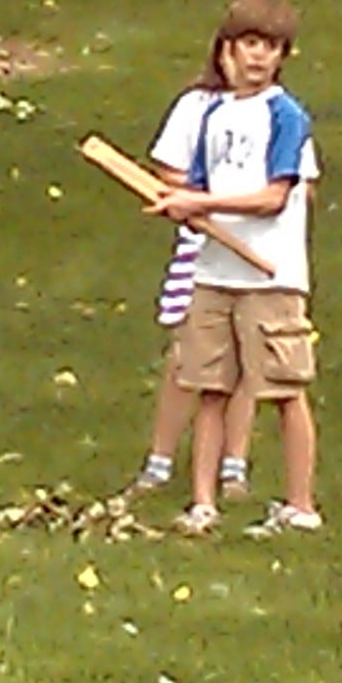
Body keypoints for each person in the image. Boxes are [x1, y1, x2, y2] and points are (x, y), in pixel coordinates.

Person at [148, 0, 321, 537]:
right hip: (213, 273)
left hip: (271, 275)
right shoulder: (212, 114)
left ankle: (301, 505)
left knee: (285, 389)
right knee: (211, 387)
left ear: (283, 56)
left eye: (271, 46)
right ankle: (204, 502)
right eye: (249, 43)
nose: (258, 56)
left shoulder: (286, 115)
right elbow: (198, 188)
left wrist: (200, 202)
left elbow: (273, 197)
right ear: (227, 50)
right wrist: (184, 206)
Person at [123, 51, 257, 502]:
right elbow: (168, 168)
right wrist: (202, 198)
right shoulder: (197, 105)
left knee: (247, 356)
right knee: (187, 356)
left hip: (252, 247)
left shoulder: (274, 110)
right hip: (202, 249)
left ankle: (233, 465)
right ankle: (159, 462)